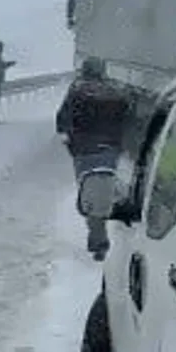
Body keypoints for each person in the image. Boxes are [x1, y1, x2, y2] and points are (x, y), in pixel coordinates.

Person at [56, 55, 131, 261]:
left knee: (89, 193)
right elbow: (128, 118)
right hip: (110, 151)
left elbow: (62, 119)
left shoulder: (77, 90)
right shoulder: (115, 91)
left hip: (84, 152)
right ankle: (112, 221)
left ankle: (98, 237)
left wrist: (69, 141)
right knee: (104, 189)